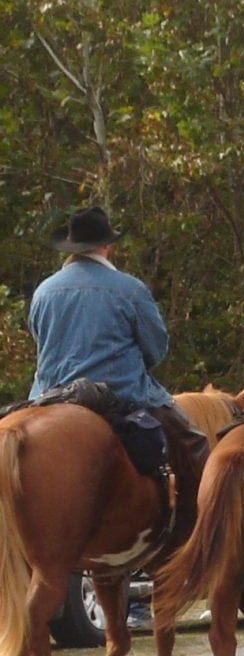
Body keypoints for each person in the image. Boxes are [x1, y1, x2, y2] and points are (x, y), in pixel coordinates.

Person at [28, 205, 210, 543]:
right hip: (121, 395)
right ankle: (197, 538)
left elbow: (41, 344)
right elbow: (156, 349)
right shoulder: (129, 289)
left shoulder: (43, 291)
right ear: (106, 246)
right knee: (196, 445)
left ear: (71, 247)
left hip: (48, 397)